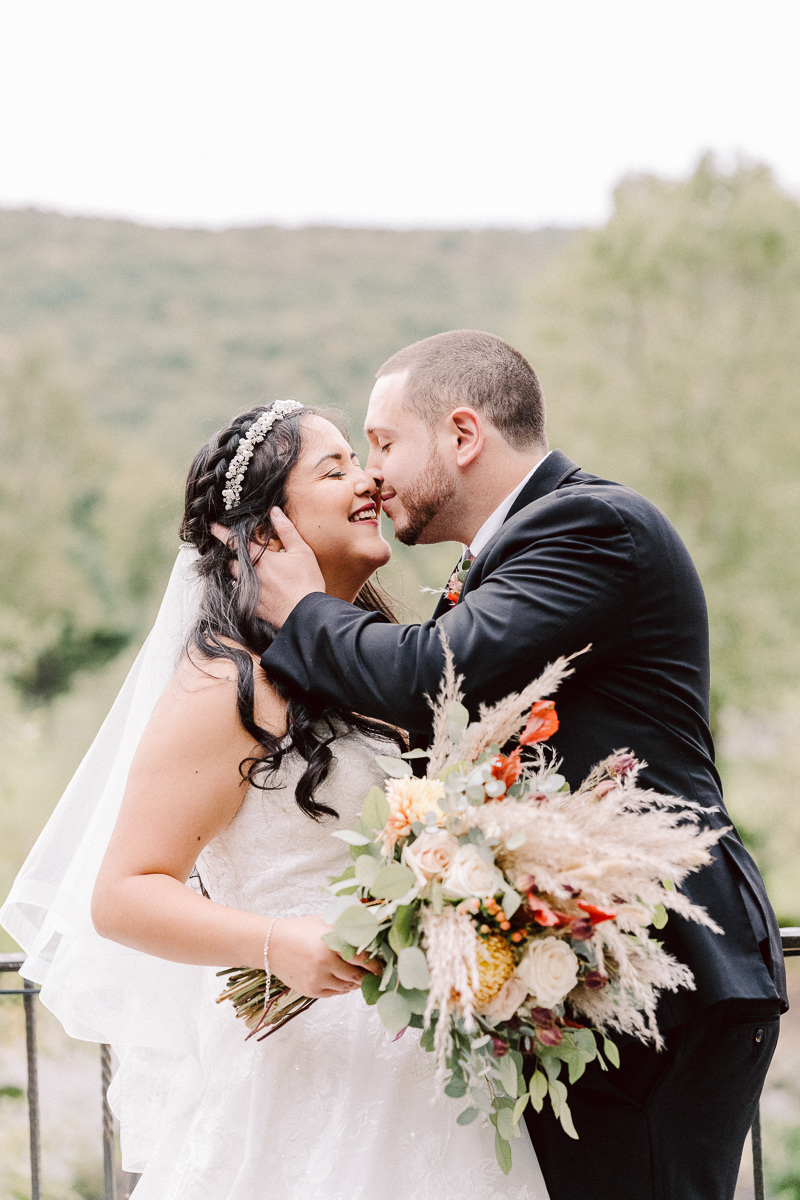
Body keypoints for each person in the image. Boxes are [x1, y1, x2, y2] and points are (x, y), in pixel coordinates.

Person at [237, 331, 787, 1200]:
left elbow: (431, 676)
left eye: (384, 444)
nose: (374, 475)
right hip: (586, 983)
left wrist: (303, 609)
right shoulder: (508, 554)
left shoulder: (589, 525)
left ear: (462, 434)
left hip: (662, 979)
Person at [1, 400, 549, 1200]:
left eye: (359, 461)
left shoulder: (374, 669)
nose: (367, 481)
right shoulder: (226, 683)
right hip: (308, 1075)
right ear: (263, 533)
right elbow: (121, 894)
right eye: (334, 470)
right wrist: (275, 943)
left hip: (430, 1070)